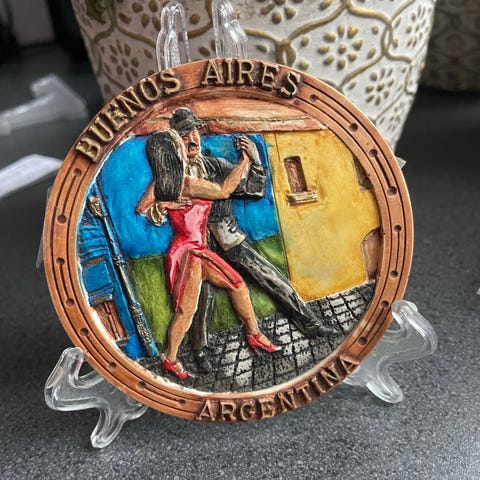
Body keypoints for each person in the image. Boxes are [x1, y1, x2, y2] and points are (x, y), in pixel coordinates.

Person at [169, 108, 335, 373]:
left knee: (269, 275)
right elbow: (151, 206)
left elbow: (252, 190)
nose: (192, 139)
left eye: (194, 133)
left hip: (229, 237)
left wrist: (255, 161)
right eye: (184, 135)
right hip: (197, 246)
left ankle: (310, 325)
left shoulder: (215, 166)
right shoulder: (171, 176)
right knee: (202, 297)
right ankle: (200, 351)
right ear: (174, 142)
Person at [137, 130, 280, 380]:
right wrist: (244, 161)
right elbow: (223, 190)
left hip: (190, 249)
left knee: (229, 289)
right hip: (190, 253)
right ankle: (171, 358)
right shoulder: (185, 183)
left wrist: (162, 205)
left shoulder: (161, 184)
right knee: (192, 308)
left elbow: (142, 207)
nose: (186, 145)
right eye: (180, 143)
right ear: (173, 154)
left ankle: (252, 335)